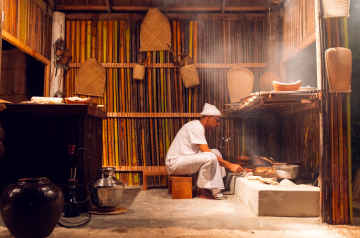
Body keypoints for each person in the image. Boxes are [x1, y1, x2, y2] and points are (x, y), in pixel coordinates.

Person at [165, 103, 243, 200]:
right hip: (175, 164)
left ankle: (215, 189)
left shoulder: (198, 126)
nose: (218, 124)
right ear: (209, 117)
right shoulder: (195, 126)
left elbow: (208, 152)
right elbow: (206, 152)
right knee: (210, 156)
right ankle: (201, 189)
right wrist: (230, 165)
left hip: (184, 160)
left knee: (216, 152)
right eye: (217, 120)